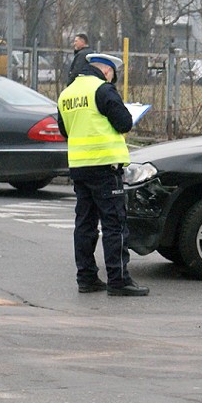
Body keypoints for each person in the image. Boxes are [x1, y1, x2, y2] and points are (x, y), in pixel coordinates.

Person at [57, 53, 149, 296]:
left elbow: (64, 130)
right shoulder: (102, 90)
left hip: (79, 167)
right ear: (107, 71)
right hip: (105, 167)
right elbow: (124, 123)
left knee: (85, 224)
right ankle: (118, 280)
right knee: (114, 224)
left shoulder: (67, 94)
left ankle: (86, 278)